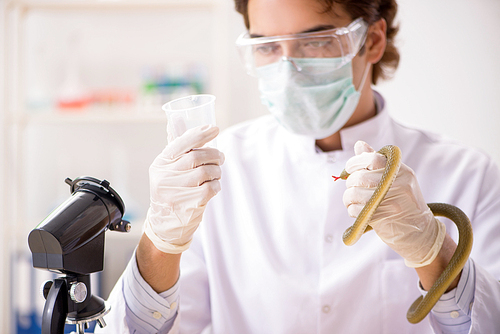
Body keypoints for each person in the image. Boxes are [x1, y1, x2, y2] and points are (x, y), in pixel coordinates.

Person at [97, 0, 500, 332]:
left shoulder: (468, 174)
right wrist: (160, 239)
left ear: (372, 41)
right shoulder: (218, 168)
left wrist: (433, 251)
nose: (287, 69)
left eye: (315, 42)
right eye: (267, 46)